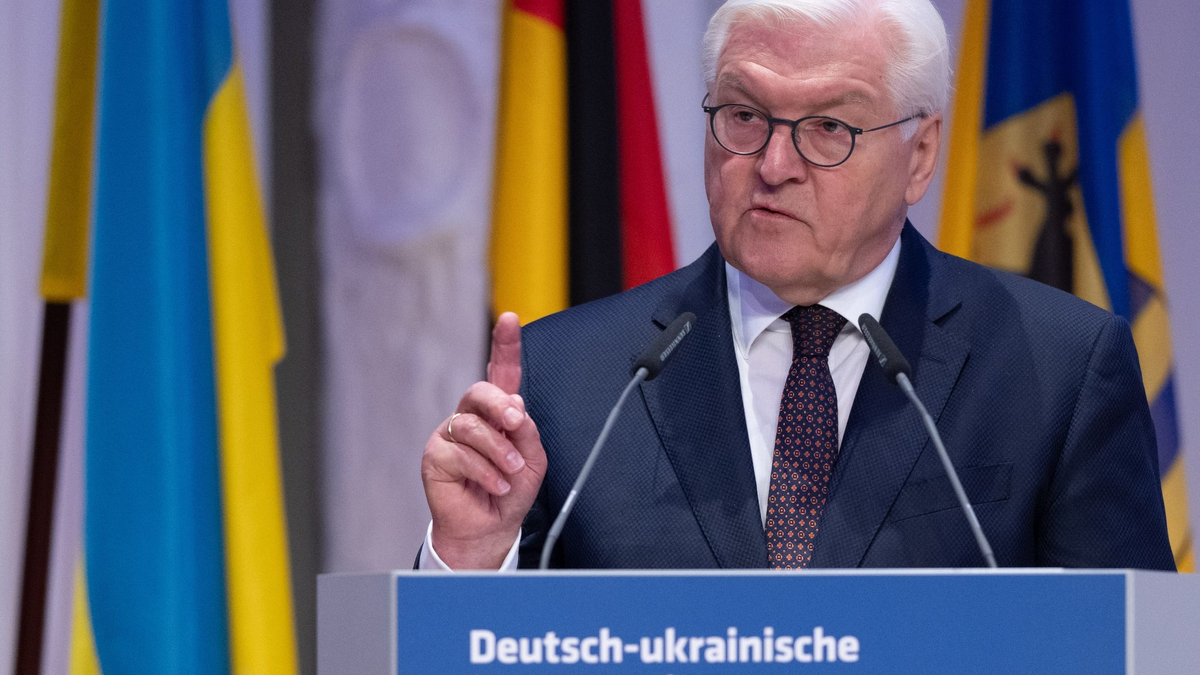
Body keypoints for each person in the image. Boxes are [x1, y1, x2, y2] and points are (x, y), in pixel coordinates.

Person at [419, 0, 1175, 571]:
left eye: (827, 129)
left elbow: (1127, 646)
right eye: (745, 115)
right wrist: (469, 557)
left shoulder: (1060, 371)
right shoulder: (570, 381)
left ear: (920, 154)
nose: (774, 164)